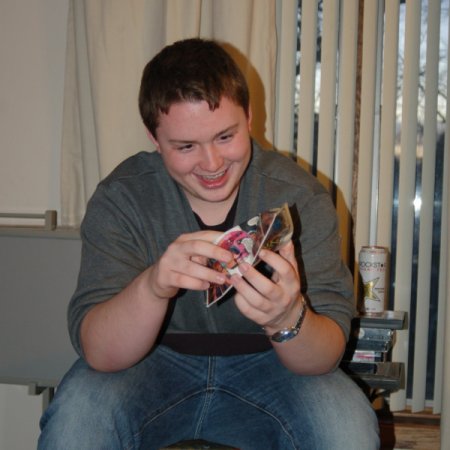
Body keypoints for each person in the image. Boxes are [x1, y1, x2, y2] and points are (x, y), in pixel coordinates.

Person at [38, 38, 379, 449]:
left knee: (348, 430)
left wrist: (286, 318)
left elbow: (325, 354)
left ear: (250, 117)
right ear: (154, 138)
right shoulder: (122, 198)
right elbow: (100, 354)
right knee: (76, 421)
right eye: (185, 147)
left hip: (276, 368)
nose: (212, 164)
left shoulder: (300, 198)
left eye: (224, 137)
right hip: (148, 364)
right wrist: (153, 286)